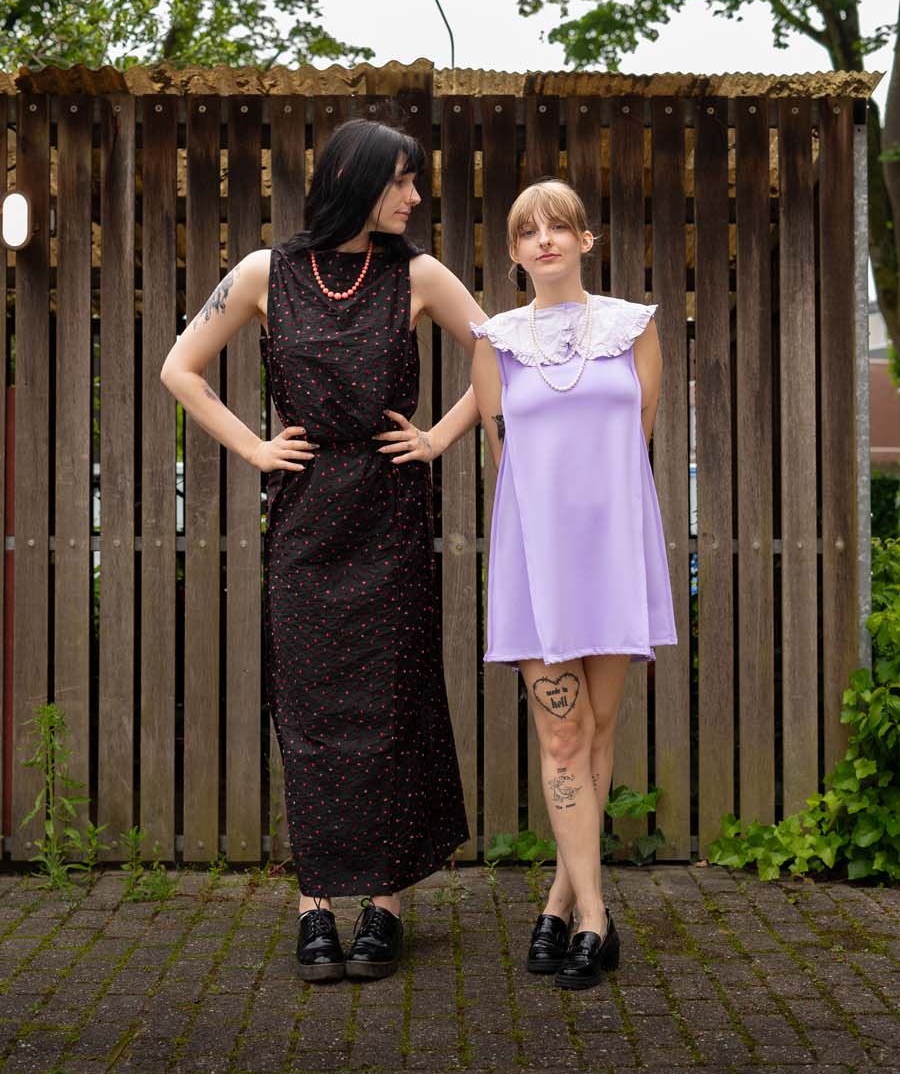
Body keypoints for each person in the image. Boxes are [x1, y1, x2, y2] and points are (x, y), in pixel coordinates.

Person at [161, 117, 487, 982]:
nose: (414, 196)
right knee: (309, 717)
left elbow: (501, 354)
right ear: (354, 179)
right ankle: (314, 906)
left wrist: (438, 437)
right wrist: (254, 448)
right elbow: (179, 368)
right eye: (402, 180)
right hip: (305, 521)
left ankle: (385, 905)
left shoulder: (418, 273)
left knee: (391, 710)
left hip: (390, 514)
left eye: (415, 180)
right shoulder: (263, 272)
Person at [470, 179, 678, 991]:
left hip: (613, 550)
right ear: (514, 252)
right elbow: (506, 458)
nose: (546, 239)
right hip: (538, 558)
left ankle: (558, 903)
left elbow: (639, 435)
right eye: (529, 231)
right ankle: (595, 917)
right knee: (561, 734)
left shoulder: (634, 327)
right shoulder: (495, 340)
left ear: (586, 240)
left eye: (560, 226)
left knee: (595, 729)